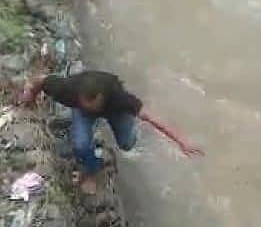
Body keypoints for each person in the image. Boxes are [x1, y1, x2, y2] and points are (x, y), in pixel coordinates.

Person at [22, 70, 202, 194]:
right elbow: (39, 81)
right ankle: (93, 170)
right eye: (87, 104)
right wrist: (28, 98)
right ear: (79, 98)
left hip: (115, 111)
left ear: (101, 97)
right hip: (81, 111)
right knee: (80, 145)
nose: (92, 108)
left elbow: (154, 118)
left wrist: (181, 142)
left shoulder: (120, 98)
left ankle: (126, 127)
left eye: (95, 105)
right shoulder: (66, 89)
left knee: (127, 144)